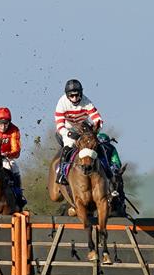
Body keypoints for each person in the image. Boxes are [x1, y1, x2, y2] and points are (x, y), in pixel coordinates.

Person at [53, 79, 124, 207]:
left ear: (81, 93)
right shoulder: (61, 103)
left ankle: (109, 173)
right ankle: (62, 175)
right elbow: (59, 126)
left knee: (99, 147)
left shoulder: (87, 102)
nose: (75, 98)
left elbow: (98, 119)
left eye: (77, 95)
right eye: (71, 96)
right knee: (67, 148)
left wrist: (95, 129)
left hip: (85, 129)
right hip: (68, 129)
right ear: (67, 95)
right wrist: (69, 134)